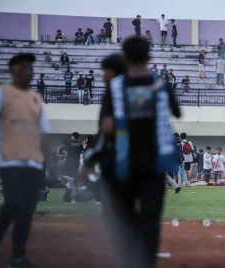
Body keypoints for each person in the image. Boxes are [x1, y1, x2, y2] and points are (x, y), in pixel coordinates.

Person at [91, 36, 180, 268]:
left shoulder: (116, 86)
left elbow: (108, 127)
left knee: (126, 219)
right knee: (151, 220)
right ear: (149, 56)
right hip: (154, 163)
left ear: (125, 56)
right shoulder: (160, 85)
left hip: (124, 162)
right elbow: (176, 113)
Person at [0, 54, 53, 268]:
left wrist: (49, 162)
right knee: (14, 203)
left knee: (26, 210)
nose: (28, 72)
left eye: (30, 68)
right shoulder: (1, 94)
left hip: (33, 162)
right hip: (8, 160)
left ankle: (18, 256)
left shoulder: (36, 98)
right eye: (23, 68)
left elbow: (44, 133)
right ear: (11, 71)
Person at [62, 132, 83, 202]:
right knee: (74, 174)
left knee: (68, 174)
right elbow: (80, 152)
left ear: (73, 136)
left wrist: (65, 159)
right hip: (76, 160)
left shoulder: (69, 143)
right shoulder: (80, 144)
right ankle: (73, 185)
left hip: (69, 160)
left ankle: (68, 184)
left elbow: (67, 152)